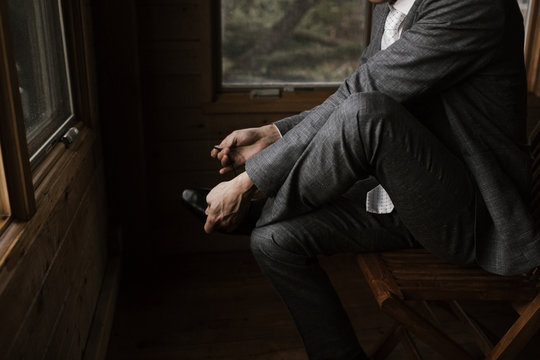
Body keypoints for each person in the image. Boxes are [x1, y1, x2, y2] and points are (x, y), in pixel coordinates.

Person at [185, 0, 540, 358]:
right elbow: (350, 94)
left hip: (476, 218)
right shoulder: (388, 10)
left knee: (367, 112)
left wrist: (249, 182)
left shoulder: (471, 4)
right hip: (407, 197)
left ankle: (261, 208)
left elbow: (362, 101)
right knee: (273, 239)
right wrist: (274, 133)